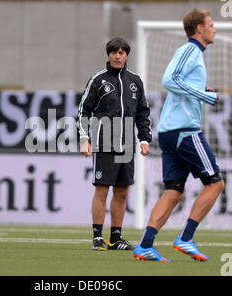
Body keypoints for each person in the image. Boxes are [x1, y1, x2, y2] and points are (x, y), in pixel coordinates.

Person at [133, 9, 225, 262]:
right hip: (184, 130)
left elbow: (181, 85)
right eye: (211, 24)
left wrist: (201, 89)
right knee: (215, 183)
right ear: (199, 29)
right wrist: (206, 96)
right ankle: (186, 238)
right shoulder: (190, 50)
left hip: (170, 132)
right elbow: (169, 79)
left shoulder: (194, 54)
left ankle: (145, 245)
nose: (214, 29)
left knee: (174, 191)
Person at [78, 37, 152, 251]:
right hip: (104, 143)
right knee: (102, 190)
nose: (118, 56)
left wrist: (144, 139)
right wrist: (85, 139)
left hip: (127, 145)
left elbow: (143, 113)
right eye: (114, 52)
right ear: (108, 55)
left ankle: (116, 239)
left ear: (127, 55)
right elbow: (84, 111)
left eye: (122, 52)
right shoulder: (98, 80)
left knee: (122, 192)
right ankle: (97, 237)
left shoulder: (136, 81)